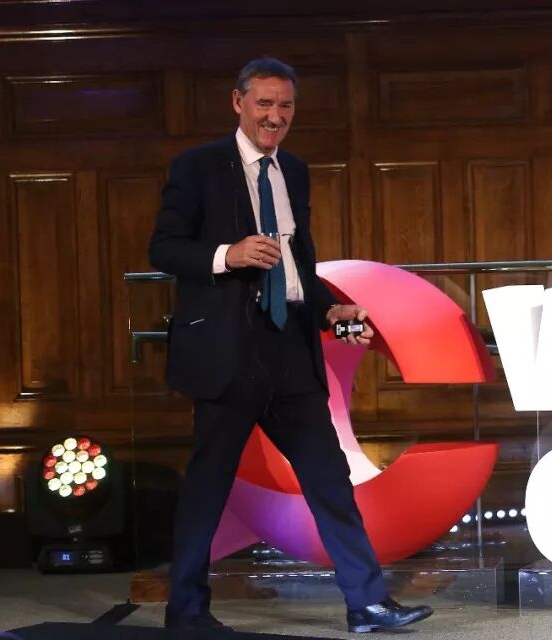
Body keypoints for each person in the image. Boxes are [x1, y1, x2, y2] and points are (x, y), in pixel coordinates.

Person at [149, 57, 432, 634]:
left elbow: (299, 263)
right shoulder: (198, 166)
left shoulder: (294, 171)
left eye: (285, 106)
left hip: (290, 352)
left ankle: (367, 604)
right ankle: (186, 613)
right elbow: (164, 248)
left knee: (329, 478)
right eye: (264, 104)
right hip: (227, 355)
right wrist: (228, 255)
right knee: (208, 487)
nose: (274, 117)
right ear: (238, 103)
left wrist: (330, 308)